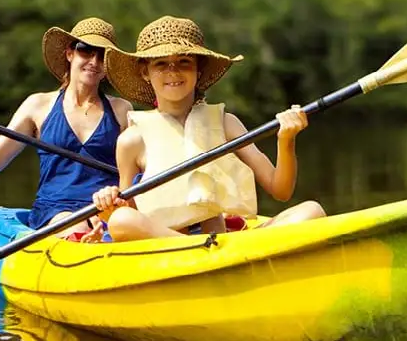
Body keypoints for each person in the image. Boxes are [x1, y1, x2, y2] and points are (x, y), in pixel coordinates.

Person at [88, 15, 326, 242]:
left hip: (223, 242)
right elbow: (128, 211)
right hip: (168, 246)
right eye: (161, 64)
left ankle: (212, 250)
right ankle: (199, 249)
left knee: (312, 211)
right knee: (121, 220)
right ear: (145, 72)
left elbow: (281, 190)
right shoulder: (132, 139)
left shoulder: (226, 123)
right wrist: (109, 202)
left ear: (198, 69)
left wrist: (286, 140)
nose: (173, 71)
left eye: (184, 62)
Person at [0, 17, 134, 231]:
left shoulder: (122, 109)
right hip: (56, 211)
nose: (94, 61)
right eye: (86, 51)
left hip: (107, 209)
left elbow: (136, 173)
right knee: (78, 227)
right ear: (70, 54)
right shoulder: (37, 105)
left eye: (102, 56)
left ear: (108, 66)